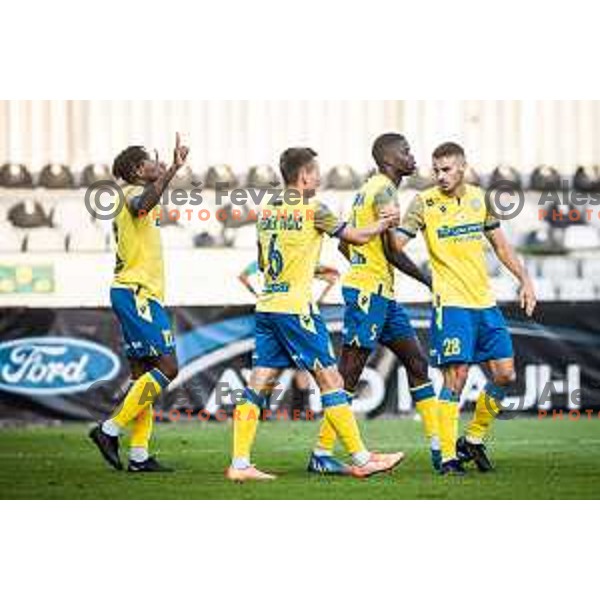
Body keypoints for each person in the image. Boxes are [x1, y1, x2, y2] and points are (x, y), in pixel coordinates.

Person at [225, 147, 405, 482]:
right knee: (331, 380)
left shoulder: (266, 213)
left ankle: (239, 464)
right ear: (304, 175)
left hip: (268, 306)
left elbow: (264, 264)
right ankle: (361, 458)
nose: (320, 178)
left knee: (259, 383)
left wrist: (306, 264)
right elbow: (356, 237)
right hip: (296, 309)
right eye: (316, 172)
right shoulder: (313, 210)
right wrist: (383, 223)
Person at [388, 141, 537, 475]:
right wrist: (388, 225)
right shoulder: (423, 203)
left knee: (505, 373)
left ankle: (473, 439)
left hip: (485, 302)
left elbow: (500, 245)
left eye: (446, 169)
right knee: (456, 377)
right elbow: (395, 246)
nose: (440, 176)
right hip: (451, 303)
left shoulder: (479, 199)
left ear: (462, 167)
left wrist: (524, 278)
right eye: (435, 170)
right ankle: (446, 457)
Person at [308, 133, 442, 476]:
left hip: (381, 293)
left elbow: (345, 246)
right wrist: (429, 279)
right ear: (389, 159)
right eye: (406, 151)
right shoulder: (383, 189)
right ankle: (321, 453)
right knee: (349, 373)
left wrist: (367, 262)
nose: (412, 157)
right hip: (368, 293)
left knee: (416, 361)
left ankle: (441, 448)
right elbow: (392, 251)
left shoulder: (371, 188)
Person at [89, 134, 189, 472]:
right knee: (168, 368)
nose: (158, 163)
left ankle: (139, 455)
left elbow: (150, 201)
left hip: (132, 291)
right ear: (136, 169)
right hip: (137, 293)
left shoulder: (136, 193)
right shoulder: (132, 194)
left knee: (142, 375)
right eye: (152, 160)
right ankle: (109, 430)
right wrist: (172, 168)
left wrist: (169, 172)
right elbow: (142, 204)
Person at [239, 260, 340, 419]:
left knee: (269, 369)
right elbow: (333, 274)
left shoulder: (268, 254)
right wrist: (319, 298)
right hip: (295, 313)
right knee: (301, 368)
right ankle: (298, 411)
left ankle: (263, 411)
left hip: (271, 311)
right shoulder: (300, 256)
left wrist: (259, 295)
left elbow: (243, 276)